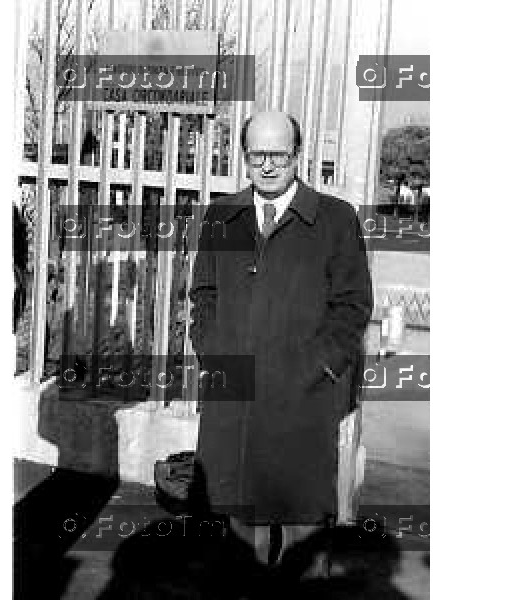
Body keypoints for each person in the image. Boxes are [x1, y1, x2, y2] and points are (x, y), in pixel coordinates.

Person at [188, 111, 373, 574]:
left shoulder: (334, 219)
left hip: (303, 405)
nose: (268, 166)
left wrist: (319, 368)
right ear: (244, 157)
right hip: (234, 404)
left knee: (302, 557)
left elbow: (352, 306)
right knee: (233, 561)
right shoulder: (222, 215)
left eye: (279, 154)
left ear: (298, 154)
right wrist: (214, 352)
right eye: (257, 156)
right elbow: (203, 295)